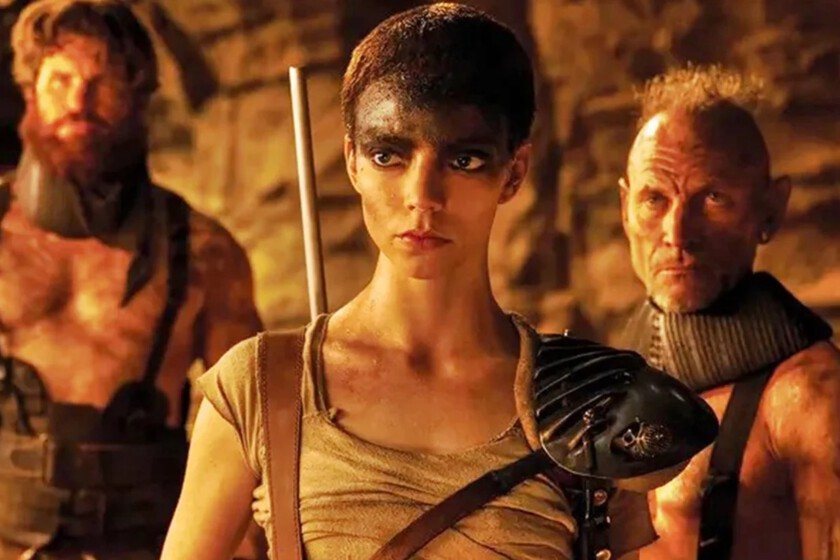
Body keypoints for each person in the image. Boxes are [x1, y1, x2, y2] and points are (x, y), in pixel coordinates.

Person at [162, 5, 718, 560]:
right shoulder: (261, 390)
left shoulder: (589, 410)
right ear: (352, 160)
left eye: (464, 160)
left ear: (514, 172)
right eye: (388, 155)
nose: (422, 197)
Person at [0, 0, 263, 558]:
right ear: (30, 90)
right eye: (61, 80)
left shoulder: (205, 253)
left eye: (102, 82)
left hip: (150, 542)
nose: (79, 101)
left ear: (138, 96)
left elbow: (247, 437)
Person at [619, 65, 840, 560]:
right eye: (654, 198)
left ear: (769, 212)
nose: (677, 233)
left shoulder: (810, 399)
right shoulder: (604, 392)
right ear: (624, 208)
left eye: (714, 198)